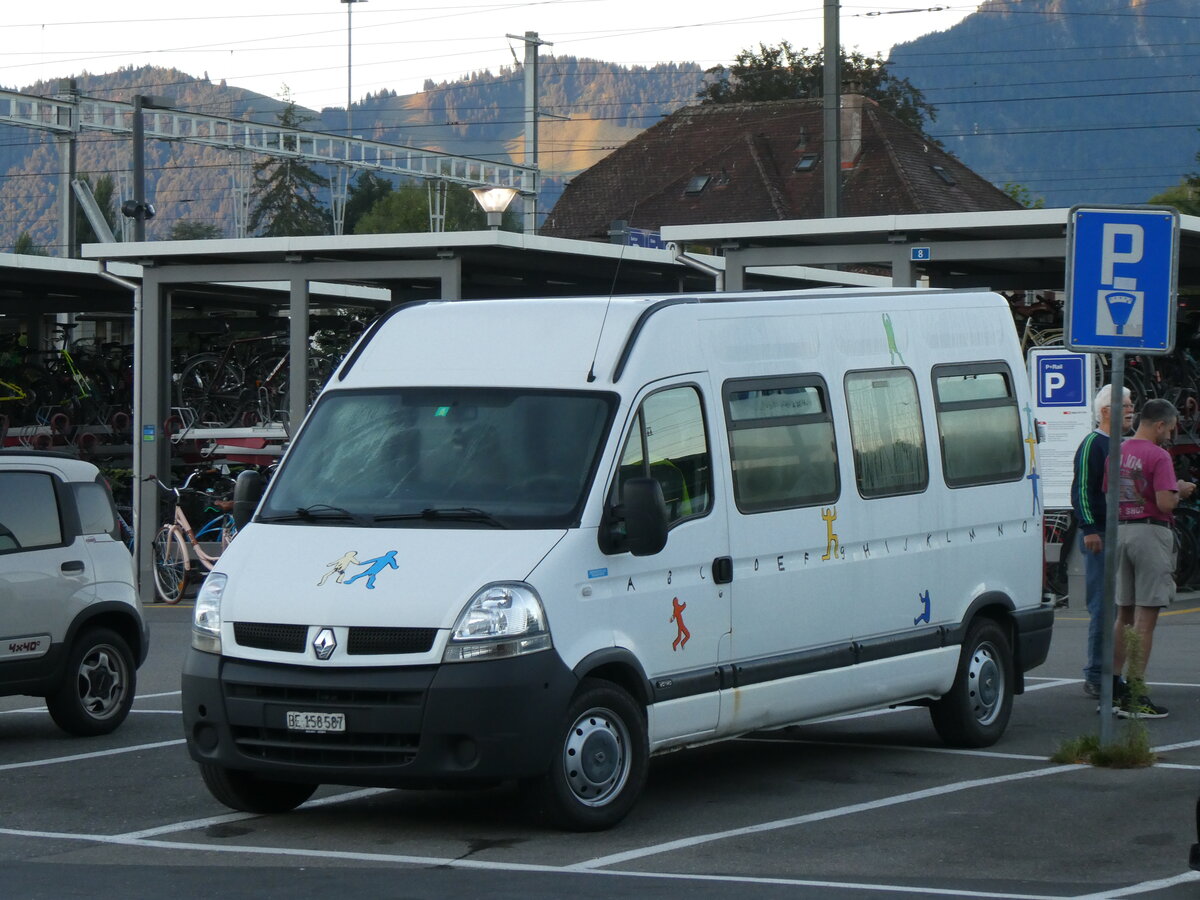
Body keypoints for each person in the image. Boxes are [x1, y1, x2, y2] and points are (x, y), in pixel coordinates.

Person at [1107, 398, 1196, 718]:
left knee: (1124, 614)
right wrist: (1180, 489)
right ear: (1160, 425)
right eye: (1170, 429)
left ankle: (1113, 687)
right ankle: (1136, 693)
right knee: (1146, 618)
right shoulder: (1158, 455)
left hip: (1121, 530)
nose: (1171, 435)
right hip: (1150, 532)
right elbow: (1165, 503)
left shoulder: (1118, 450)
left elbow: (1109, 491)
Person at [1069, 384, 1133, 699]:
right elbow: (1081, 489)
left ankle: (1115, 673)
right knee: (1103, 607)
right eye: (1126, 403)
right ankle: (1095, 674)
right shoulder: (1093, 445)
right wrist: (1089, 528)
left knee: (1123, 606)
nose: (1132, 409)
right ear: (1107, 411)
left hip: (1124, 533)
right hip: (1101, 536)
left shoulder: (1127, 445)